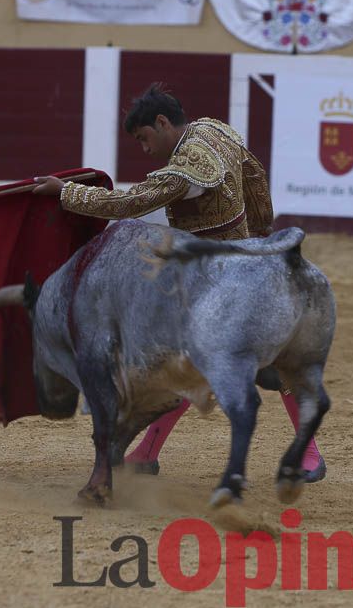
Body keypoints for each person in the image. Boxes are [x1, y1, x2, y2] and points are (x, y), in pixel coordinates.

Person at [31, 84, 327, 484]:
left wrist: (68, 192)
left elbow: (130, 204)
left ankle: (304, 454)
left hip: (217, 283)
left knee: (185, 363)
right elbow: (255, 178)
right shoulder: (215, 131)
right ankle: (150, 452)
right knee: (224, 362)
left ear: (162, 122)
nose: (144, 149)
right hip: (246, 262)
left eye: (143, 138)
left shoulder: (189, 168)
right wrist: (261, 237)